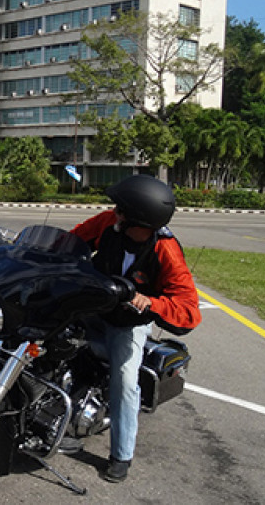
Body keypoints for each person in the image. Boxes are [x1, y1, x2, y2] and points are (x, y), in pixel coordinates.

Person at [69, 174, 201, 483]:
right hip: (89, 307)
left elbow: (188, 310)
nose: (114, 213)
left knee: (126, 381)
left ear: (138, 219)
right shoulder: (106, 223)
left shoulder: (165, 250)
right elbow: (71, 241)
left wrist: (151, 303)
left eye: (121, 210)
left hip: (126, 324)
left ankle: (121, 454)